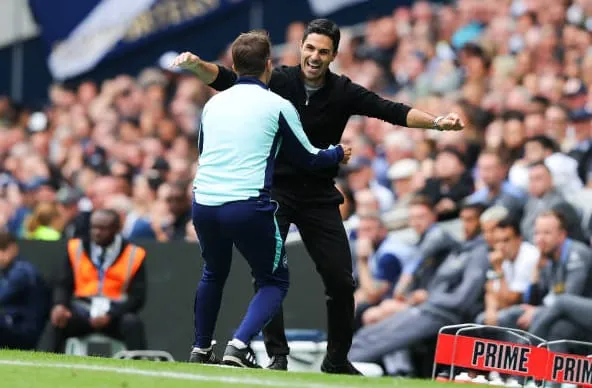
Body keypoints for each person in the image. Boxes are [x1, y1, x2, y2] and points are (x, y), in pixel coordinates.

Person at [173, 18, 463, 373]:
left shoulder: (344, 91)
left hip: (319, 195)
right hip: (276, 191)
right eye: (310, 48)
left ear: (334, 55)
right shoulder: (276, 80)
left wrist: (436, 122)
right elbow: (228, 78)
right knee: (267, 276)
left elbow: (391, 110)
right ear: (301, 49)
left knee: (341, 280)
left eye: (323, 51)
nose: (314, 56)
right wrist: (195, 65)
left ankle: (337, 360)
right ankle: (277, 357)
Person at [188, 31, 350, 368]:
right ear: (269, 65)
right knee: (274, 281)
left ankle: (201, 348)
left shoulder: (213, 103)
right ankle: (238, 345)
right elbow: (309, 158)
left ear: (233, 65)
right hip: (246, 204)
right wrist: (337, 153)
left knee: (213, 273)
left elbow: (203, 150)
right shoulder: (278, 105)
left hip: (204, 202)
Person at [47, 209, 147, 353]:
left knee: (132, 323)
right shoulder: (76, 247)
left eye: (103, 228)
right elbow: (63, 284)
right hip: (82, 311)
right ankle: (51, 364)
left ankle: (140, 364)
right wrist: (60, 305)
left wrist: (111, 315)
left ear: (116, 229)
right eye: (94, 227)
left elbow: (138, 297)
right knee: (59, 319)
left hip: (114, 315)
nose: (97, 232)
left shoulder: (134, 254)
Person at [0, 229, 50, 350]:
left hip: (23, 330)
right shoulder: (7, 270)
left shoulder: (22, 271)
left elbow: (2, 296)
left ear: (13, 248)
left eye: (2, 250)